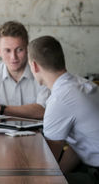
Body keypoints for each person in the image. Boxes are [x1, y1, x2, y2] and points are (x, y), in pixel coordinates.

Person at [28, 35, 99, 184]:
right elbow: (77, 147)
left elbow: (47, 159)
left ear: (34, 66)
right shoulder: (82, 84)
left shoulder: (60, 100)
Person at [0, 21, 49, 119]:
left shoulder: (43, 72)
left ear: (27, 49)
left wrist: (2, 109)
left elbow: (44, 110)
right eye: (7, 50)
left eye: (19, 50)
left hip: (38, 133)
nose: (13, 57)